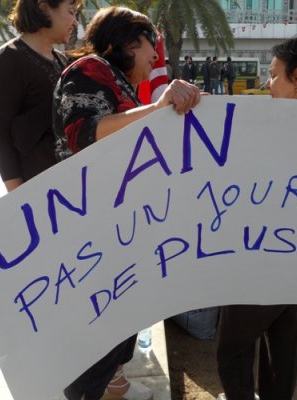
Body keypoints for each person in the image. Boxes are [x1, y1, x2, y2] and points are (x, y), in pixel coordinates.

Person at [53, 6, 201, 400]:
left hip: (117, 226)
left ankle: (106, 387)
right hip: (94, 228)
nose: (155, 57)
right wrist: (155, 109)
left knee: (117, 327)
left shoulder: (116, 81)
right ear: (125, 43)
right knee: (98, 332)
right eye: (148, 46)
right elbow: (82, 134)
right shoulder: (89, 71)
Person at [216, 35, 297, 400]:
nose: (267, 84)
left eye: (273, 75)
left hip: (260, 258)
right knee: (282, 348)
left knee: (232, 348)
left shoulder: (273, 128)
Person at [0, 0, 80, 192]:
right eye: (71, 12)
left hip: (70, 181)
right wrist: (17, 195)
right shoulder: (9, 59)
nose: (75, 22)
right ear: (44, 7)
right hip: (37, 187)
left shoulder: (61, 60)